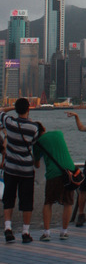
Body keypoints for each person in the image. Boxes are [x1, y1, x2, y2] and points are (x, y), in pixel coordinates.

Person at [0, 98, 39, 243]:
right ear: (28, 109)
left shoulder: (9, 123)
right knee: (27, 200)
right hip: (26, 170)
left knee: (9, 198)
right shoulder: (34, 127)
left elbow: (0, 112)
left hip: (10, 168)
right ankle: (25, 232)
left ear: (16, 110)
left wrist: (11, 108)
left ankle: (8, 228)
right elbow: (33, 143)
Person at [33, 122, 77, 241]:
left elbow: (37, 164)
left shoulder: (37, 144)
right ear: (44, 128)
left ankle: (47, 233)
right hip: (69, 171)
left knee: (48, 202)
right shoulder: (58, 133)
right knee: (68, 202)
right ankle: (64, 232)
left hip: (53, 174)